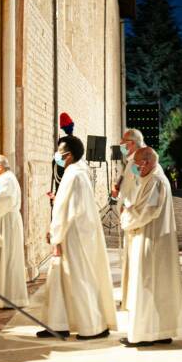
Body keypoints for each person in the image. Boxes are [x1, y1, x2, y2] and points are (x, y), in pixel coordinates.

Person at [42, 135, 118, 339]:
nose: (57, 155)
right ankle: (58, 323)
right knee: (60, 280)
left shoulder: (75, 175)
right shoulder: (75, 172)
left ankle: (94, 327)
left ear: (68, 154)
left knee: (78, 278)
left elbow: (69, 210)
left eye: (60, 151)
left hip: (72, 235)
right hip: (71, 232)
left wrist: (56, 235)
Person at [119, 147, 182, 347]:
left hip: (151, 239)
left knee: (147, 284)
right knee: (153, 286)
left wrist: (125, 215)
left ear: (147, 162)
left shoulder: (156, 181)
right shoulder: (151, 178)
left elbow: (146, 211)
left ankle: (146, 333)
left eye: (137, 164)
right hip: (150, 238)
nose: (135, 169)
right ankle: (157, 330)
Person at [0, 154, 28, 309]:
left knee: (7, 259)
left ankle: (9, 298)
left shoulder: (6, 180)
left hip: (6, 222)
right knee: (5, 259)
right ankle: (4, 296)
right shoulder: (4, 179)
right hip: (4, 220)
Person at [112, 128, 146, 309]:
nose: (120, 145)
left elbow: (140, 186)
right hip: (129, 214)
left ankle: (133, 299)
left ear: (132, 143)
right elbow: (129, 184)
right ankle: (129, 297)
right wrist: (119, 189)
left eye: (123, 141)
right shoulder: (132, 160)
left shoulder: (139, 161)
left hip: (134, 216)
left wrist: (128, 205)